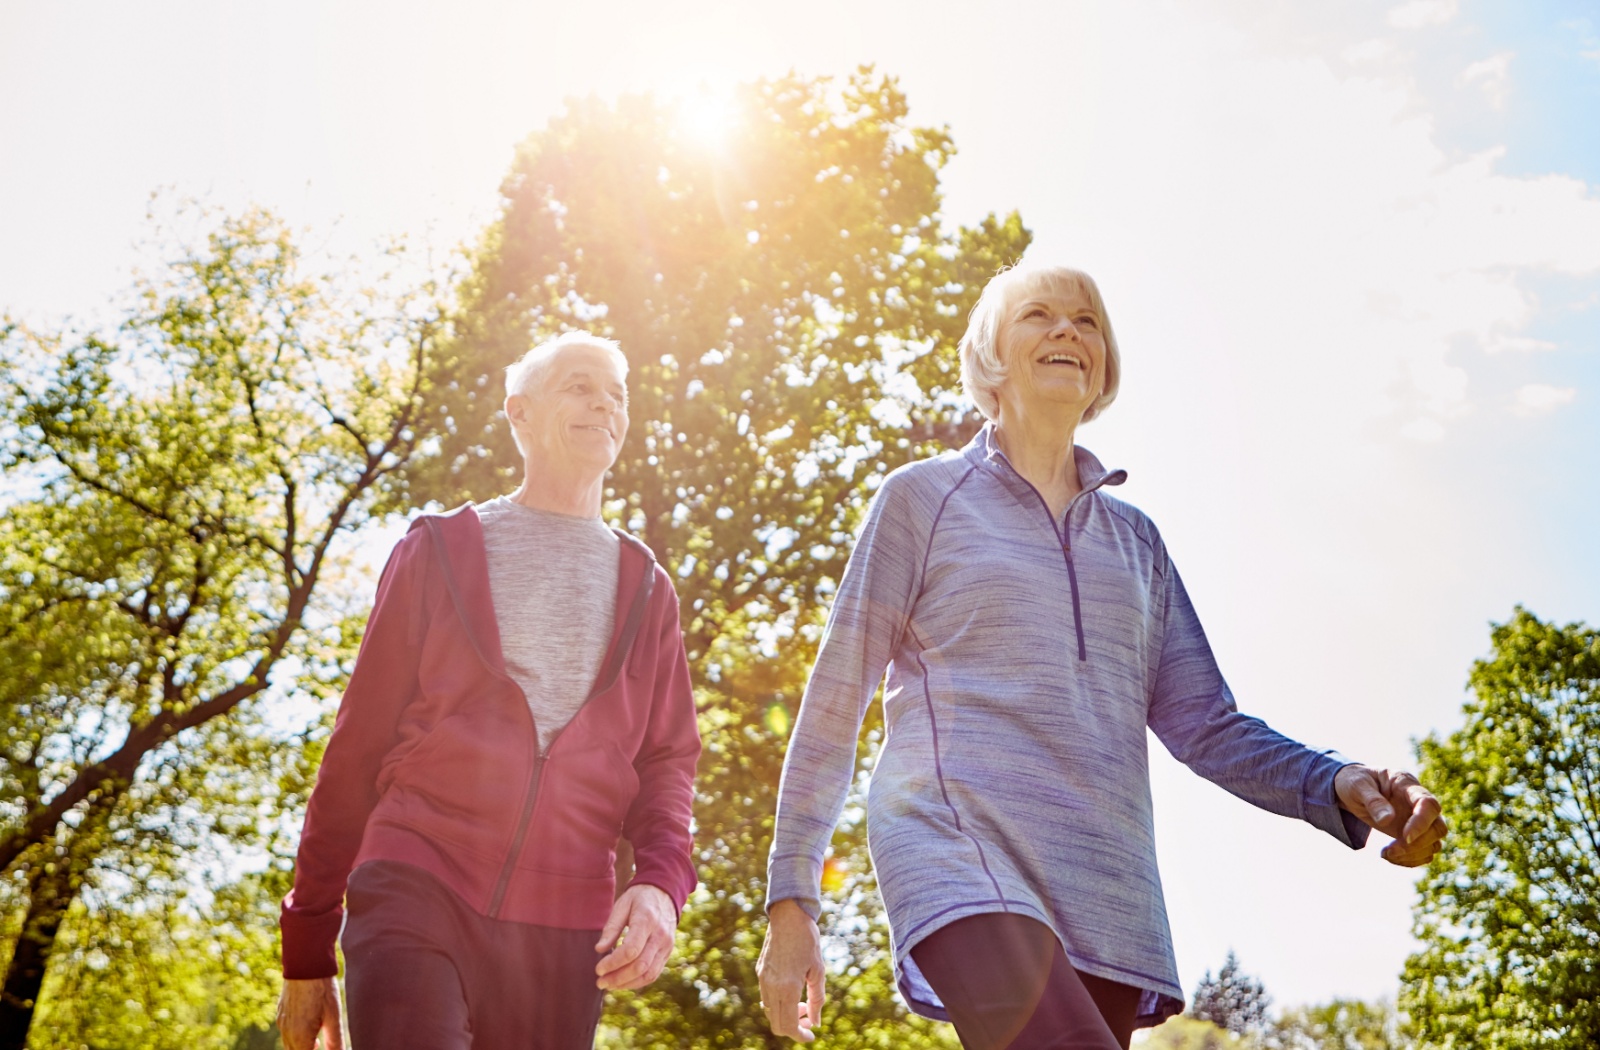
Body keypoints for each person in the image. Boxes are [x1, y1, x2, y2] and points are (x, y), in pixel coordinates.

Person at [757, 264, 1448, 1050]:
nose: (1066, 331)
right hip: (959, 854)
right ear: (990, 356)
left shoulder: (1137, 541)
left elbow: (1207, 724)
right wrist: (792, 903)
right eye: (1039, 316)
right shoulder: (921, 501)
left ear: (1103, 365)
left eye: (1085, 321)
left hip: (1109, 898)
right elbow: (836, 697)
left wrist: (1339, 781)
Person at [276, 331, 701, 1050]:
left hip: (566, 929)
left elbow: (666, 764)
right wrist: (308, 943)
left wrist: (660, 884)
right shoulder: (440, 549)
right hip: (419, 879)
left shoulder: (648, 589)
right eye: (577, 385)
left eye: (617, 394)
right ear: (521, 414)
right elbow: (357, 746)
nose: (603, 402)